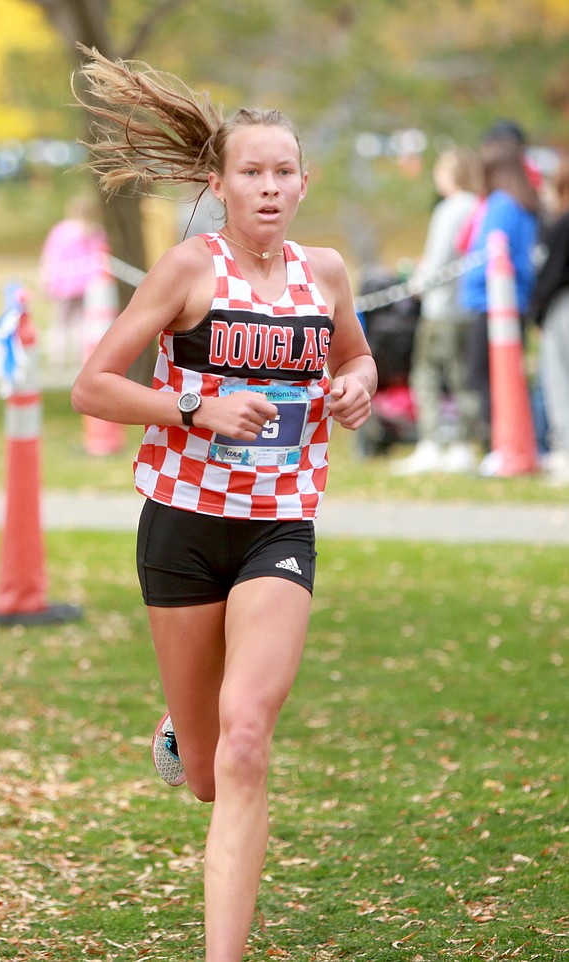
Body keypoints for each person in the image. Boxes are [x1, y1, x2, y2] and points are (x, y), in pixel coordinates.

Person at [70, 52, 377, 962]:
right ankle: (179, 729)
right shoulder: (187, 271)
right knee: (206, 771)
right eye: (252, 171)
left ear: (303, 181)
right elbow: (92, 386)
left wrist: (357, 385)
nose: (270, 187)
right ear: (221, 183)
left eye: (285, 171)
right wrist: (194, 406)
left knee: (248, 741)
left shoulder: (325, 275)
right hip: (183, 524)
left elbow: (354, 360)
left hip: (278, 524)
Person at [391, 148, 482, 475]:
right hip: (469, 307)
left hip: (441, 307)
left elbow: (439, 259)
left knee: (427, 373)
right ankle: (463, 443)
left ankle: (431, 442)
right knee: (462, 376)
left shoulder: (449, 209)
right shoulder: (478, 206)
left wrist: (416, 284)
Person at [458, 135, 540, 469]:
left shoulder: (501, 205)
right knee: (505, 376)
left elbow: (489, 254)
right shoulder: (524, 204)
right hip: (512, 302)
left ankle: (501, 442)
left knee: (484, 376)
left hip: (493, 303)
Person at [529, 151, 569, 485]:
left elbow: (551, 275)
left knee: (559, 381)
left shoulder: (563, 224)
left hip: (563, 308)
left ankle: (565, 452)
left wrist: (537, 314)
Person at [38, 193, 109, 366]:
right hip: (86, 283)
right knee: (80, 322)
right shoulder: (97, 231)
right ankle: (78, 356)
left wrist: (45, 279)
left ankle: (58, 358)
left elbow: (50, 256)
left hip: (63, 282)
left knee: (60, 322)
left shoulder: (61, 230)